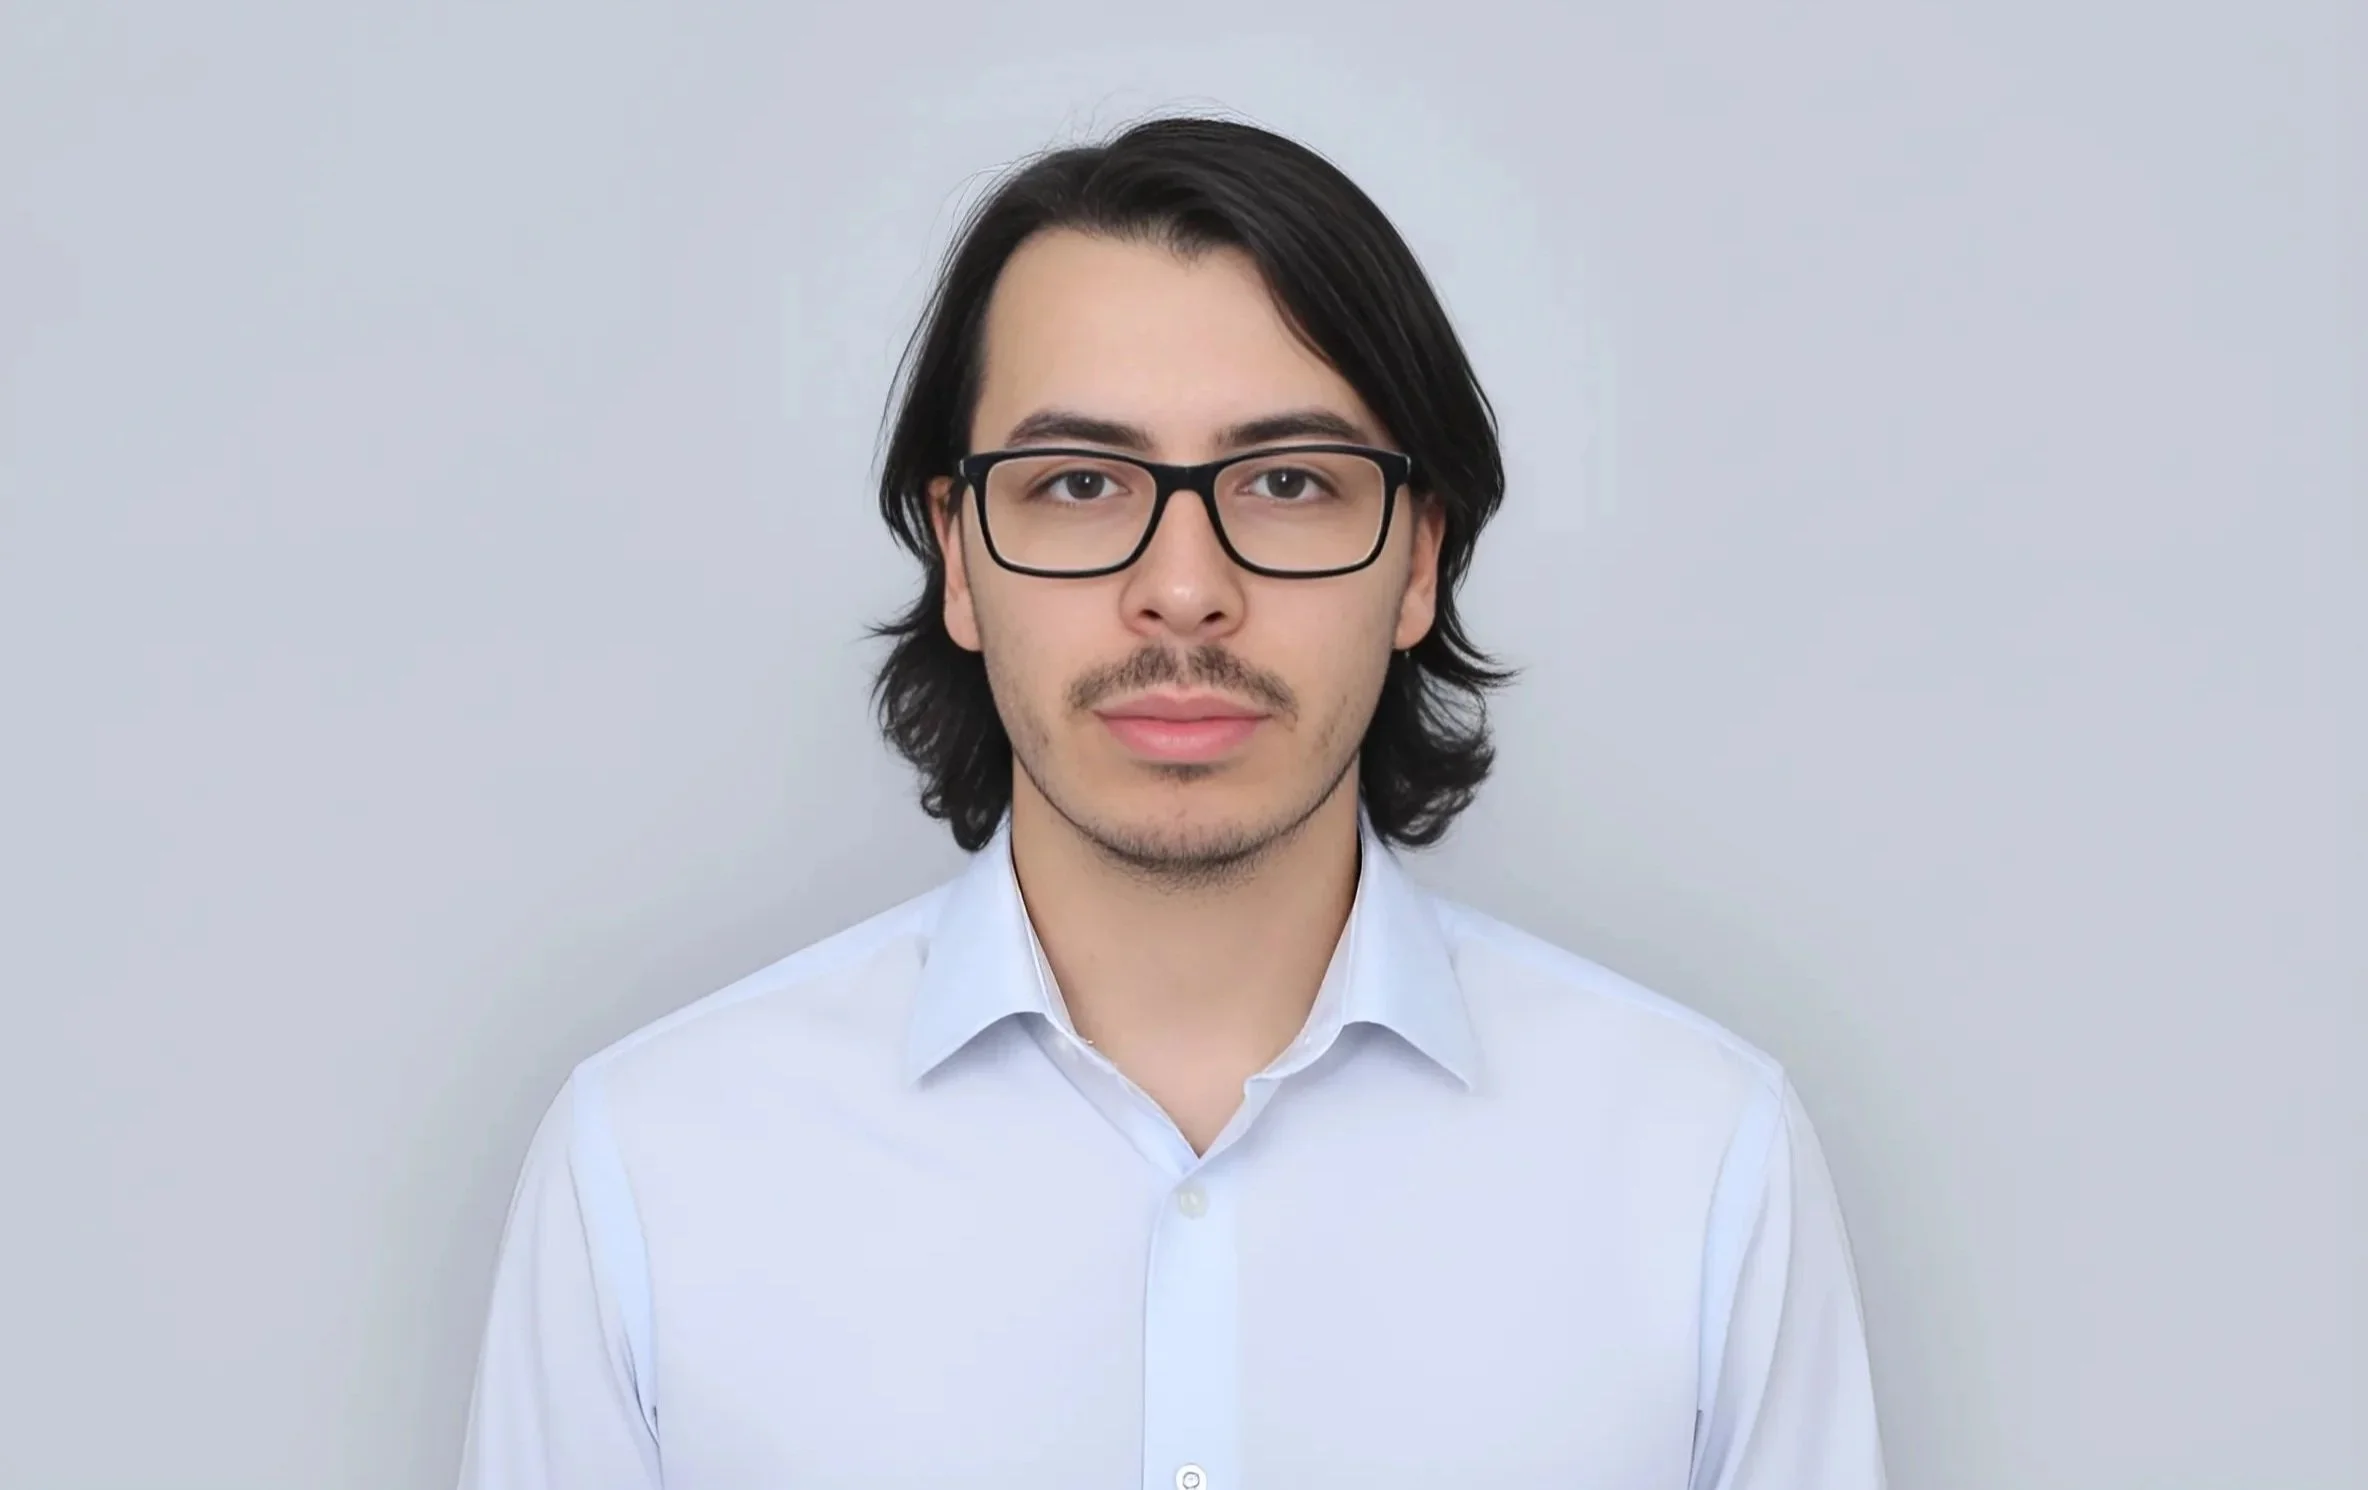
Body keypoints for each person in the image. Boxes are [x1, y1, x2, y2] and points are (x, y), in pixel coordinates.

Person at [456, 114, 1886, 1489]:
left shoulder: (1701, 1160)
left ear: (1416, 562)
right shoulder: (654, 1163)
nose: (1186, 584)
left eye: (1286, 481)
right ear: (959, 553)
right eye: (1079, 481)